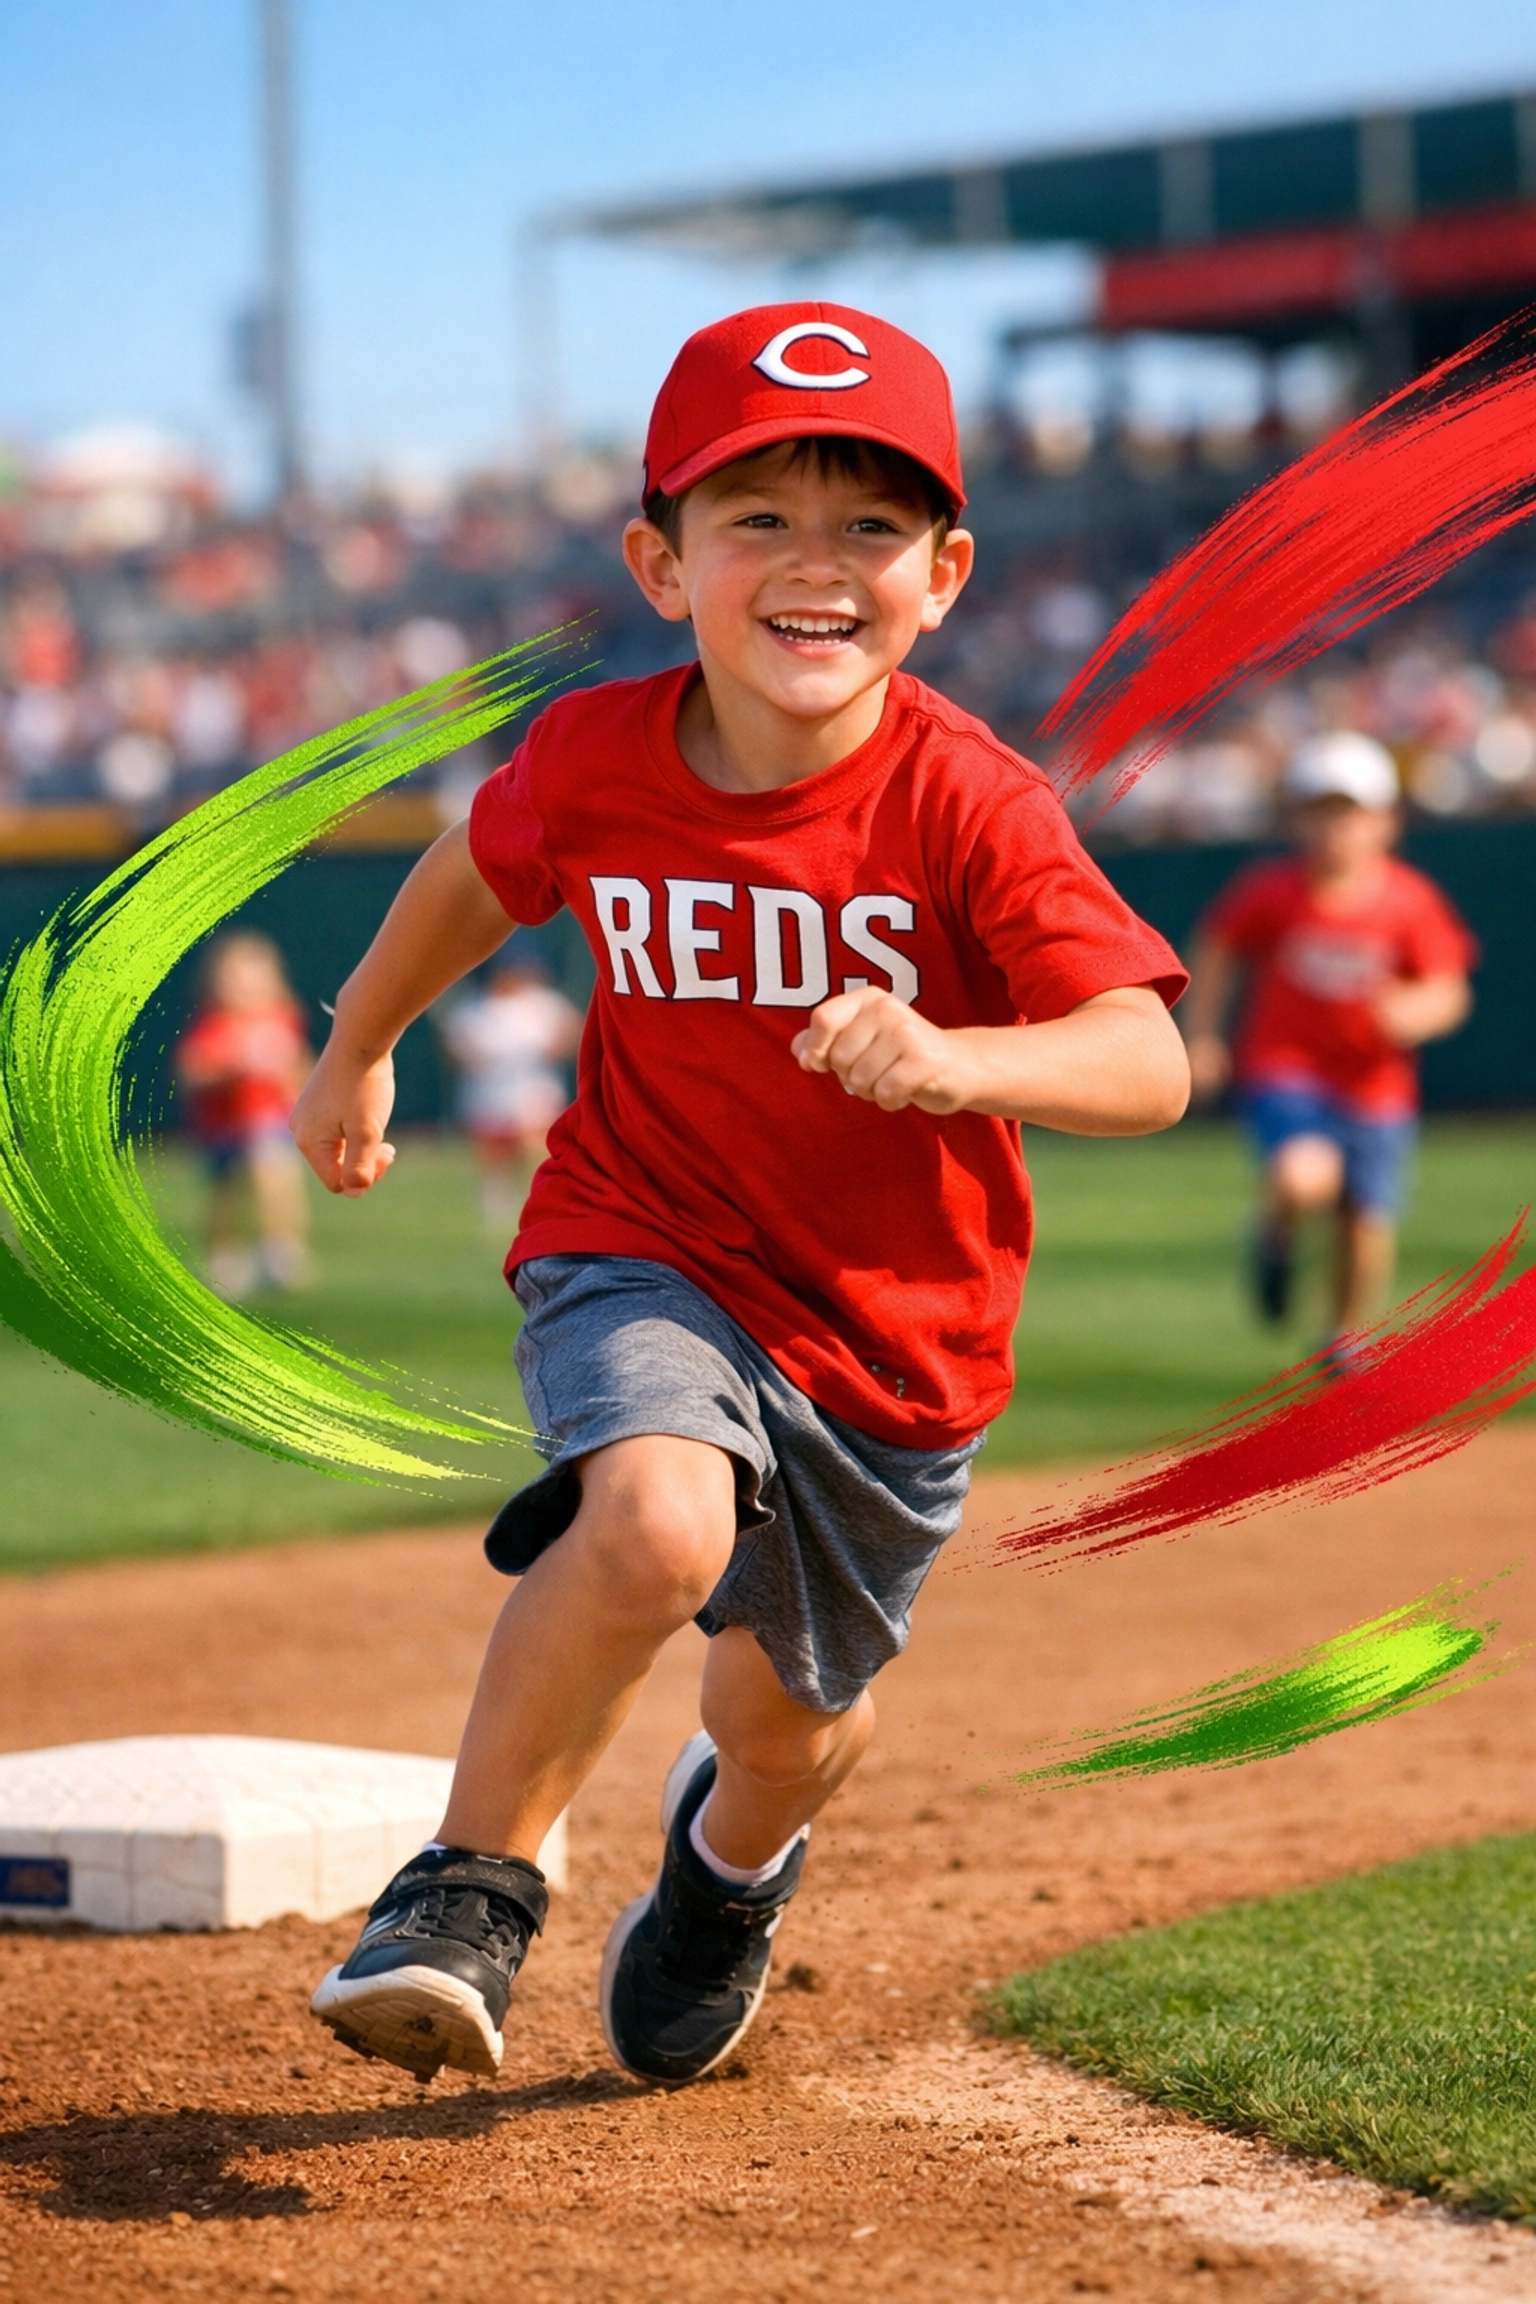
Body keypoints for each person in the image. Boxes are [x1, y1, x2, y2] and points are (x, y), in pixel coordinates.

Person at [290, 302, 1191, 2090]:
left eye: (868, 524)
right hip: (647, 1240)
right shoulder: (602, 758)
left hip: (892, 1338)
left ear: (942, 574)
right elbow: (473, 869)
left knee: (784, 1724)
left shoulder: (967, 801)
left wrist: (965, 1058)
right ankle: (467, 1884)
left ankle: (728, 1865)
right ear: (659, 559)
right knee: (651, 1522)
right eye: (754, 515)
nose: (813, 563)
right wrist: (356, 1045)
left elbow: (1144, 1058)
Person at [1183, 730, 1475, 1351]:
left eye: (1350, 813)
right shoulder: (1273, 890)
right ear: (1299, 819)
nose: (1335, 829)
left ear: (1385, 821)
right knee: (1303, 1176)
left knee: (1366, 1226)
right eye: (1321, 813)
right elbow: (1216, 948)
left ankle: (1339, 1338)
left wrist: (1416, 1011)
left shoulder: (1408, 900)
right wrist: (1203, 1036)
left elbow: (1449, 990)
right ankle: (1276, 1234)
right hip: (1287, 1071)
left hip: (1376, 1086)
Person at [176, 931, 314, 1296]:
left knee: (277, 1175)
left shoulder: (283, 1019)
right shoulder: (213, 1026)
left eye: (255, 980)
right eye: (236, 981)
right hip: (223, 1126)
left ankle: (281, 1250)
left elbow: (301, 1066)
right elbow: (192, 1072)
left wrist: (298, 1086)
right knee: (225, 1193)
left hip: (270, 1120)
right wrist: (231, 1067)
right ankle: (225, 1256)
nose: (246, 990)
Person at [438, 945, 582, 1227]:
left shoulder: (545, 1004)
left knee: (536, 1150)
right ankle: (497, 1210)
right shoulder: (477, 1008)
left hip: (534, 1092)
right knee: (495, 1156)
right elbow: (455, 1050)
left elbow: (572, 1032)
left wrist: (557, 1045)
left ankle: (542, 1205)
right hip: (490, 1094)